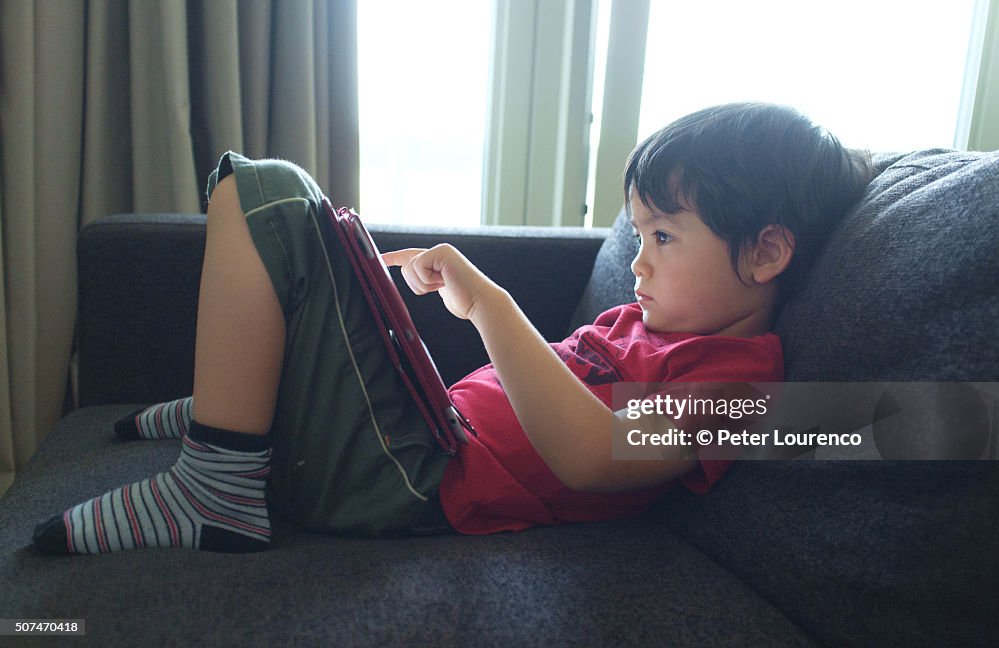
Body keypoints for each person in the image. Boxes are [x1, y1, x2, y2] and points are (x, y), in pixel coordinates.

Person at [32, 102, 872, 554]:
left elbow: (593, 453)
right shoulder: (640, 323)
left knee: (270, 193)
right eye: (638, 233)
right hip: (423, 433)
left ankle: (217, 490)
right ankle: (235, 421)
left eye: (662, 236)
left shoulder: (739, 386)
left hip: (414, 480)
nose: (638, 262)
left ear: (765, 254)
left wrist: (492, 308)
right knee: (303, 229)